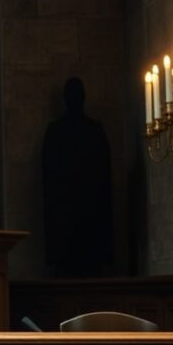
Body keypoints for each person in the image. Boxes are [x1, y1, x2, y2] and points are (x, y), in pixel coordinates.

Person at [42, 77, 113, 277]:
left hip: (88, 226)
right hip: (68, 228)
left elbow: (105, 184)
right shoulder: (57, 132)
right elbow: (49, 187)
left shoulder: (93, 131)